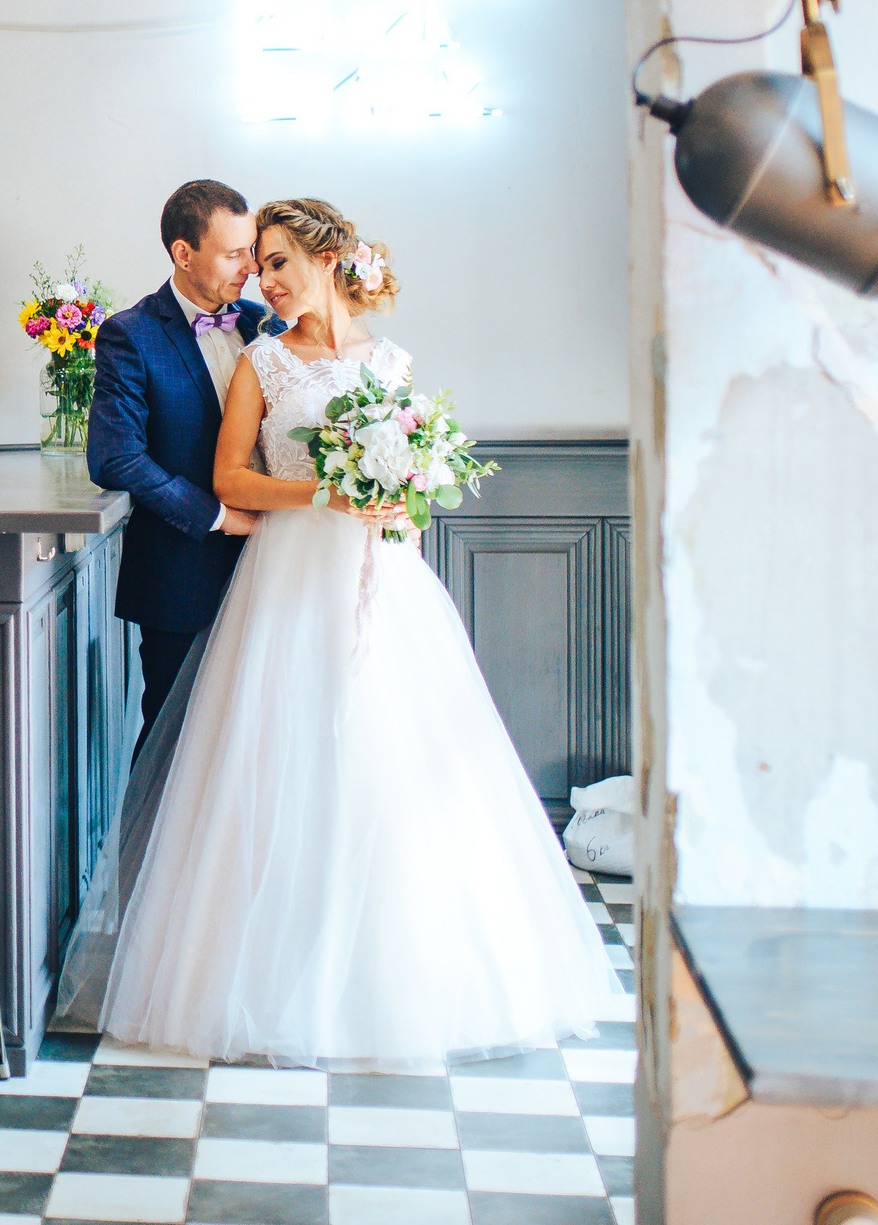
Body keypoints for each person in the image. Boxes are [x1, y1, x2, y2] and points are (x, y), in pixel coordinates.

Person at [64, 197, 615, 1071]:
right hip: (264, 576)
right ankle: (189, 952)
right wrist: (321, 493)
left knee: (386, 763)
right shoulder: (238, 351)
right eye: (251, 257)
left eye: (273, 259)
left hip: (377, 578)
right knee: (244, 763)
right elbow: (197, 467)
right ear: (185, 250)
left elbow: (411, 471)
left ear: (328, 261)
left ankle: (395, 970)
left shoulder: (380, 359)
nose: (258, 275)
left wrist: (400, 508)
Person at [87, 180, 280, 741]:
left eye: (251, 250)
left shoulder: (265, 323)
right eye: (232, 254)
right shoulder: (131, 334)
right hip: (182, 574)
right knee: (176, 742)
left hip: (274, 568)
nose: (249, 268)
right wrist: (219, 517)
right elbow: (115, 457)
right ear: (183, 253)